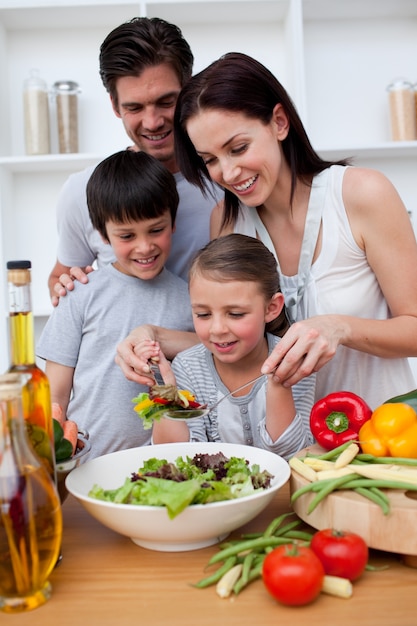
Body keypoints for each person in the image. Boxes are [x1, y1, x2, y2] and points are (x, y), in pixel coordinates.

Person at [117, 51, 417, 410]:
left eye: (238, 148)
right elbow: (230, 338)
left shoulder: (360, 194)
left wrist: (340, 328)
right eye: (210, 159)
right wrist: (151, 337)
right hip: (287, 449)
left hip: (383, 441)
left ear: (279, 122)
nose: (227, 173)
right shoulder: (227, 222)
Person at [48, 17, 221, 305]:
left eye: (167, 102)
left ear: (189, 90)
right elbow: (60, 276)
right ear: (115, 105)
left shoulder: (227, 178)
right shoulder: (81, 192)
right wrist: (65, 287)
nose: (152, 122)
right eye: (134, 107)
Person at [37, 150, 195, 459]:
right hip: (86, 464)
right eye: (126, 235)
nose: (144, 246)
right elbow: (55, 397)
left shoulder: (191, 299)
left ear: (173, 223)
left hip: (166, 465)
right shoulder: (79, 293)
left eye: (156, 229)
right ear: (103, 235)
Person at [136, 234, 315, 460]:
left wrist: (279, 383)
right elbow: (177, 457)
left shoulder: (295, 361)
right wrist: (166, 395)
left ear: (271, 308)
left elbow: (295, 455)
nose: (217, 329)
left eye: (235, 314)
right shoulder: (188, 367)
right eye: (203, 314)